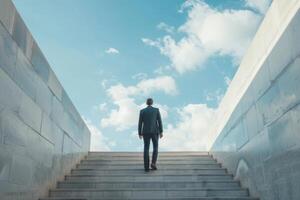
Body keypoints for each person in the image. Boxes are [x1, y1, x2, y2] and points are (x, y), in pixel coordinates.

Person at [138, 98, 163, 172]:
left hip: (145, 132)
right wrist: (161, 131)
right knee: (155, 147)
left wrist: (139, 133)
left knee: (146, 148)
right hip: (155, 131)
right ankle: (153, 163)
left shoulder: (142, 111)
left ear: (146, 103)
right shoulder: (156, 110)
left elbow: (140, 123)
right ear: (152, 103)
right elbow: (159, 121)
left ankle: (146, 167)